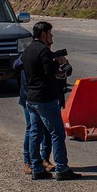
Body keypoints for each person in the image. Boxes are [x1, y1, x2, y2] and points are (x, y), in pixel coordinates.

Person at [22, 21, 82, 181]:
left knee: (35, 133)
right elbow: (51, 73)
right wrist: (60, 63)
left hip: (31, 99)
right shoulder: (43, 51)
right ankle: (62, 168)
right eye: (50, 33)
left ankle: (37, 168)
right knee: (57, 133)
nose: (52, 36)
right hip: (44, 99)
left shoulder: (27, 50)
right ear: (43, 34)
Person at [14, 54, 52, 175]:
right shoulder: (28, 54)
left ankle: (44, 158)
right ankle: (28, 161)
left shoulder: (46, 54)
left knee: (46, 128)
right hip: (28, 96)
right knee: (31, 128)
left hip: (42, 97)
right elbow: (16, 65)